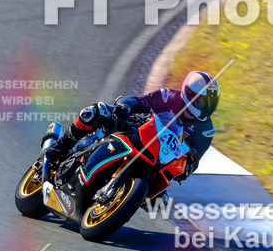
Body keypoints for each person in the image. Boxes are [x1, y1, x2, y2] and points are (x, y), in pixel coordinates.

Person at [44, 71, 220, 188]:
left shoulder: (206, 130)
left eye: (211, 103)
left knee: (159, 202)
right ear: (189, 95)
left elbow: (194, 161)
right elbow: (138, 102)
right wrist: (124, 107)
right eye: (203, 102)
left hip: (158, 161)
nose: (206, 108)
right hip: (135, 132)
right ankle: (58, 148)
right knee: (96, 111)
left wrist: (184, 167)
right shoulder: (168, 97)